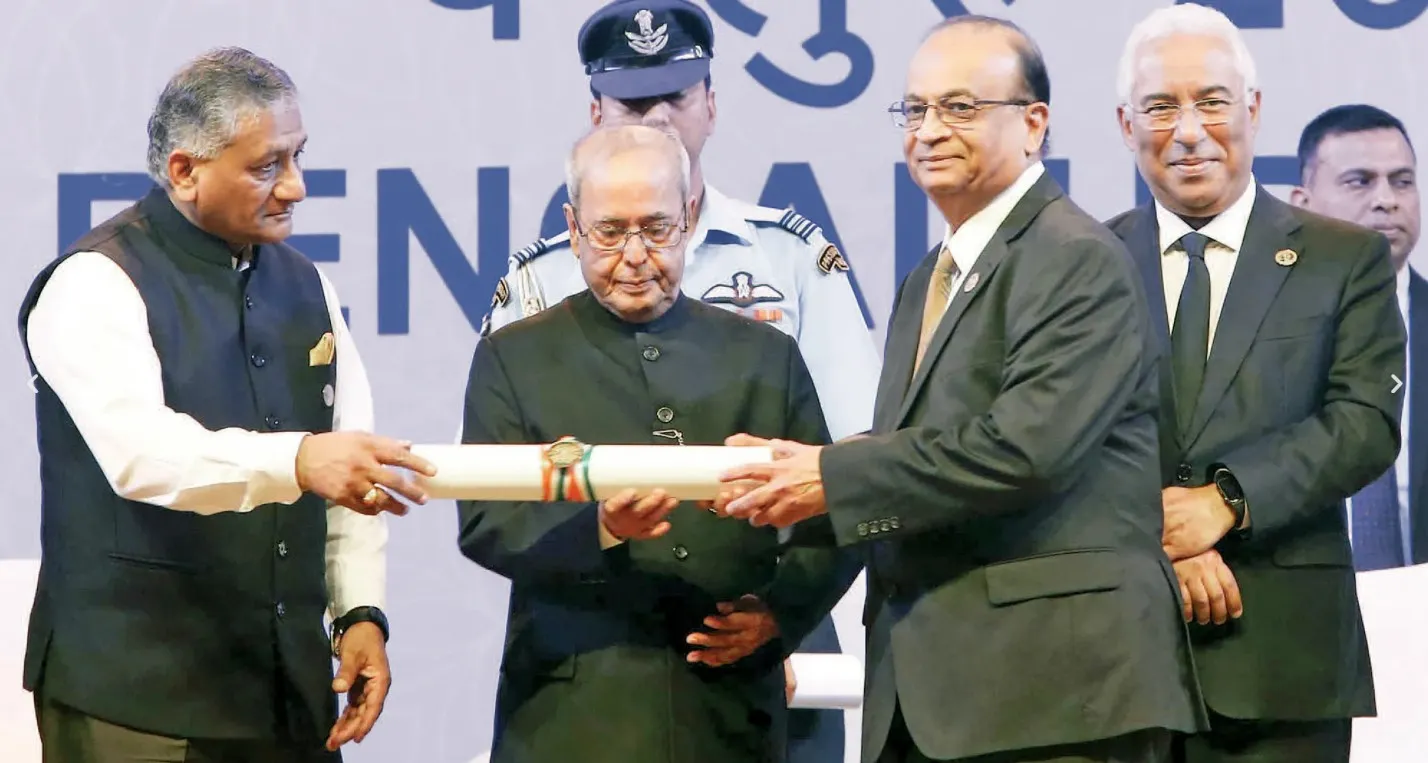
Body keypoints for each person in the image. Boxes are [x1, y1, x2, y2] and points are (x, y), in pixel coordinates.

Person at [715, 16, 1205, 763]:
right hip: (940, 693)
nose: (930, 130)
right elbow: (907, 458)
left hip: (1055, 696)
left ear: (1033, 124)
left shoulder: (1076, 258)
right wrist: (782, 507)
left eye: (961, 107)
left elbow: (1025, 449)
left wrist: (830, 476)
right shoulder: (928, 279)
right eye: (915, 109)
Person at [477, 1, 877, 759]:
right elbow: (492, 510)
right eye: (633, 103)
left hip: (745, 674)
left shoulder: (786, 266)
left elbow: (853, 466)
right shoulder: (530, 304)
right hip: (577, 686)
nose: (635, 255)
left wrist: (785, 613)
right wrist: (601, 526)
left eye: (676, 97)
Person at [17, 47, 436, 763]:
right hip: (135, 705)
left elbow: (349, 463)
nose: (296, 186)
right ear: (185, 171)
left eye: (299, 156)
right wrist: (298, 460)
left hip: (287, 698)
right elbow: (144, 456)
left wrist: (360, 613)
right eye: (267, 165)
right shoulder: (94, 282)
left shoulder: (307, 286)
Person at [1105, 5, 1405, 760]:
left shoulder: (1345, 258)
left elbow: (1365, 421)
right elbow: (1058, 437)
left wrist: (1225, 501)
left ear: (1254, 109)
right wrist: (1164, 535)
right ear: (1125, 125)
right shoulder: (1087, 265)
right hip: (1115, 660)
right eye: (1161, 107)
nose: (1189, 130)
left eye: (1211, 101)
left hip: (1283, 667)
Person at [1291, 104, 1423, 571]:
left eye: (1402, 181)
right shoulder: (1258, 330)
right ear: (1302, 204)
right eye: (1359, 181)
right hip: (1304, 596)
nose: (1387, 200)